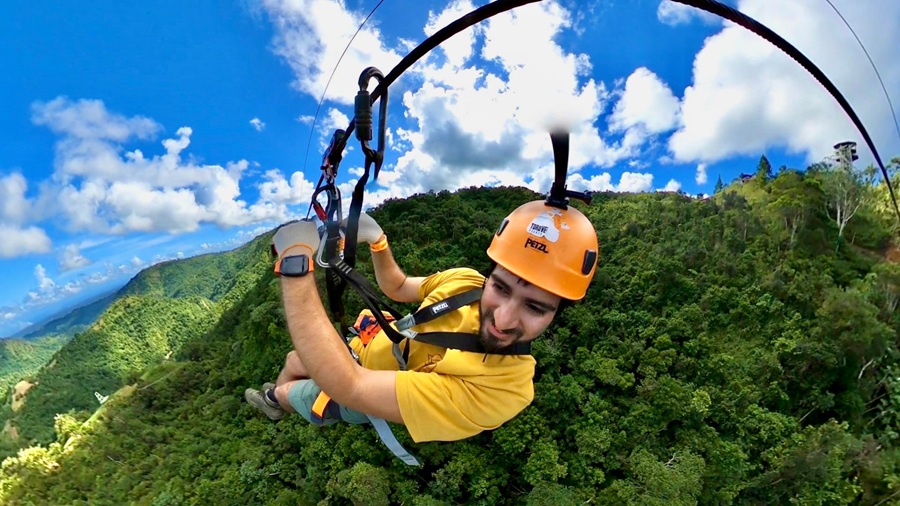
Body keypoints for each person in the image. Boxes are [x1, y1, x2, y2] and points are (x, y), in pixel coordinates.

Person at [245, 199, 598, 445]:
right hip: (364, 349)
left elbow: (351, 386)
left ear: (557, 313)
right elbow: (398, 287)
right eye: (500, 288)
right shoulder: (464, 283)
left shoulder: (505, 390)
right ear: (488, 276)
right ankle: (273, 400)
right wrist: (378, 242)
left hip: (357, 389)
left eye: (534, 307)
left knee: (288, 392)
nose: (503, 319)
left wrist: (294, 263)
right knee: (294, 359)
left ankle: (275, 401)